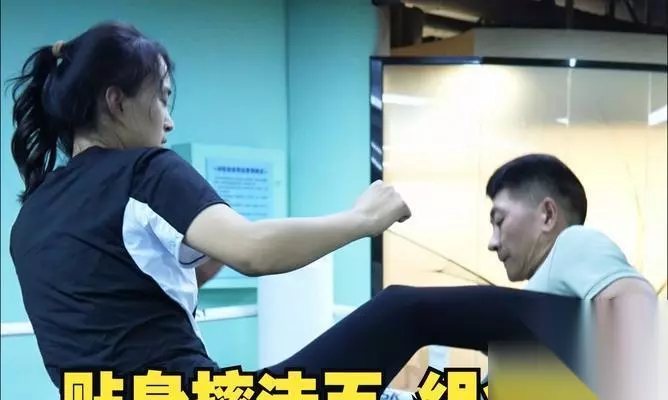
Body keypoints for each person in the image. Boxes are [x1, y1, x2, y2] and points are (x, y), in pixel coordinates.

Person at [7, 20, 580, 397]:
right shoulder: (144, 170)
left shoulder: (30, 217)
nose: (169, 120)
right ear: (115, 102)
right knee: (406, 310)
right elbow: (254, 252)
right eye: (162, 98)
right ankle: (602, 336)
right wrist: (362, 220)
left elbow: (133, 298)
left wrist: (204, 254)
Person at [484, 153, 659, 399]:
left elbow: (639, 313)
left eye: (499, 221)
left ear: (547, 214)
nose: (492, 242)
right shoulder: (549, 285)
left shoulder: (573, 242)